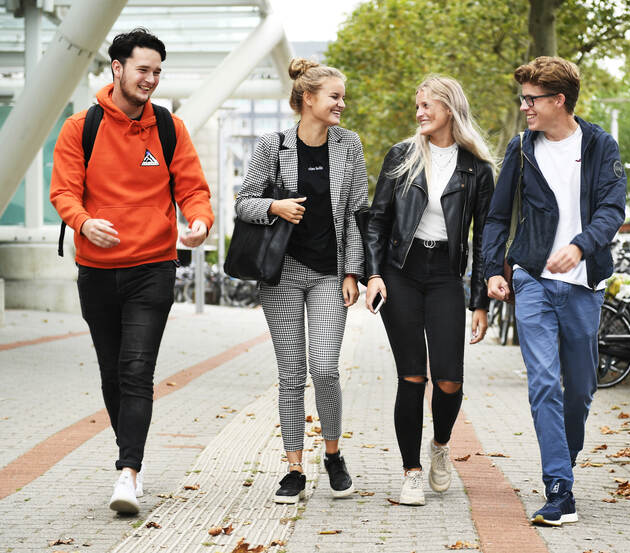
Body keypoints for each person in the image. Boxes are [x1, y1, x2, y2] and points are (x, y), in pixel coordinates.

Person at [49, 28, 214, 514]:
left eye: (158, 72)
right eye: (143, 69)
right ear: (117, 68)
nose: (151, 80)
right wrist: (83, 222)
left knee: (137, 370)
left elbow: (192, 188)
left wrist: (200, 220)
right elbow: (63, 192)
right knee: (112, 372)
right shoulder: (81, 128)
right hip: (97, 269)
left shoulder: (169, 128)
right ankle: (130, 457)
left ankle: (128, 472)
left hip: (152, 268)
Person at [481, 56, 626, 526]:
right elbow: (498, 216)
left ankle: (564, 460)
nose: (524, 106)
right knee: (544, 382)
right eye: (523, 98)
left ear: (558, 100)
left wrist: (581, 247)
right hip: (533, 279)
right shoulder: (522, 148)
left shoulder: (601, 144)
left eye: (531, 99)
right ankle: (559, 487)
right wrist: (490, 270)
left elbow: (613, 208)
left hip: (585, 284)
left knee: (580, 390)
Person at [235, 58, 368, 504]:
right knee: (291, 374)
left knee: (326, 368)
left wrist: (354, 272)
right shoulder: (272, 145)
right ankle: (293, 468)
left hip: (330, 274)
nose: (341, 104)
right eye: (334, 96)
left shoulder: (350, 147)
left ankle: (332, 454)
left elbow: (356, 214)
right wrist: (275, 207)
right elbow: (243, 202)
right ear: (308, 98)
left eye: (342, 96)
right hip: (282, 275)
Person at [364, 76, 494, 506]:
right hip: (401, 272)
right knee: (412, 375)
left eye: (427, 106)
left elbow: (484, 239)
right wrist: (374, 274)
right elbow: (378, 220)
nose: (419, 112)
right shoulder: (402, 156)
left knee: (450, 379)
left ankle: (439, 446)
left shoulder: (476, 168)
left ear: (450, 108)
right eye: (417, 105)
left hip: (444, 276)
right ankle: (411, 473)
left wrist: (480, 302)